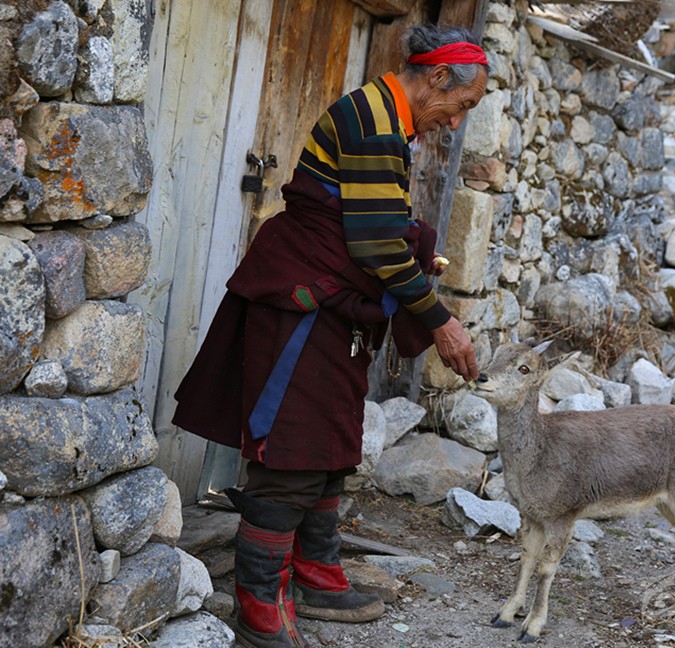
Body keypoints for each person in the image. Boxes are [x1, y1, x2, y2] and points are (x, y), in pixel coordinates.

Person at [172, 23, 488, 648]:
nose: (455, 122)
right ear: (437, 76)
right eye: (462, 105)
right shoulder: (373, 122)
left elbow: (373, 227)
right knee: (291, 452)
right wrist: (441, 321)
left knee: (329, 444)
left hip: (331, 308)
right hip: (302, 305)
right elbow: (377, 245)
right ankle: (259, 603)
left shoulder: (389, 118)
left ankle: (314, 573)